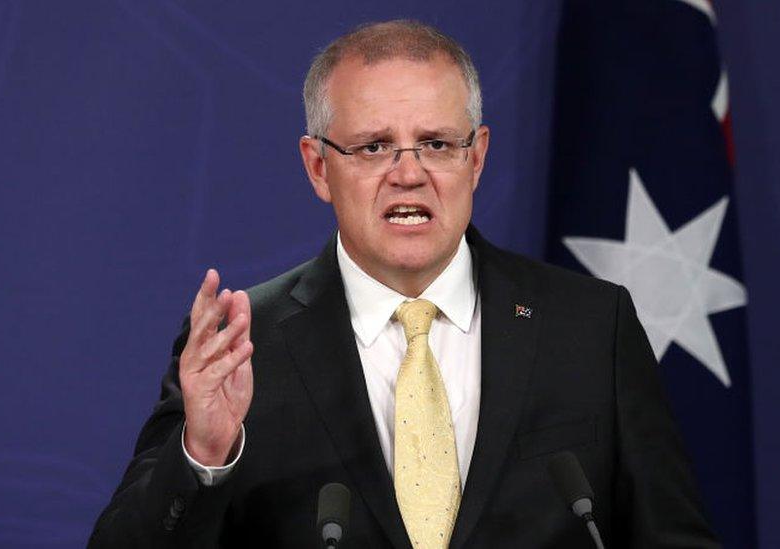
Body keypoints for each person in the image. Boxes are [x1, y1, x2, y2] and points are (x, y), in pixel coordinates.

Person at [90, 20, 719, 548]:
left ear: (477, 158)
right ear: (317, 167)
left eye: (437, 143)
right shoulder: (245, 344)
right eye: (373, 147)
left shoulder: (590, 327)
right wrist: (202, 455)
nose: (409, 174)